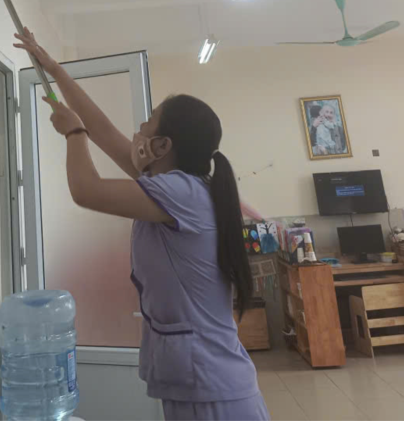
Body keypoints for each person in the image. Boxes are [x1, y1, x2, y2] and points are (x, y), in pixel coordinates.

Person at [14, 29, 270, 421]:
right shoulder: (176, 187)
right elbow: (102, 130)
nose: (138, 130)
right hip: (203, 382)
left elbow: (86, 190)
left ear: (163, 146)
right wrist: (54, 69)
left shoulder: (181, 192)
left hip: (212, 389)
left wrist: (73, 133)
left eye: (147, 123)